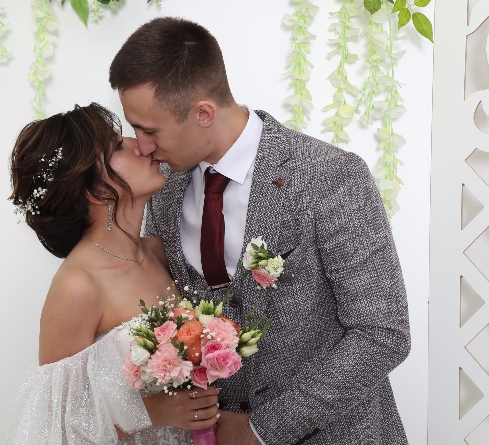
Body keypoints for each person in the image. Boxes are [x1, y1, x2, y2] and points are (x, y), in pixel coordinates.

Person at [109, 18, 412, 445]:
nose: (141, 146)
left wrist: (261, 430)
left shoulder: (329, 175)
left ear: (203, 113)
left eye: (150, 130)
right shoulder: (165, 188)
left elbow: (383, 333)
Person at [4, 103, 220, 445]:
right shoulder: (78, 285)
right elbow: (53, 427)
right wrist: (155, 411)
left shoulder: (158, 252)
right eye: (118, 146)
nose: (141, 145)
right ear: (96, 191)